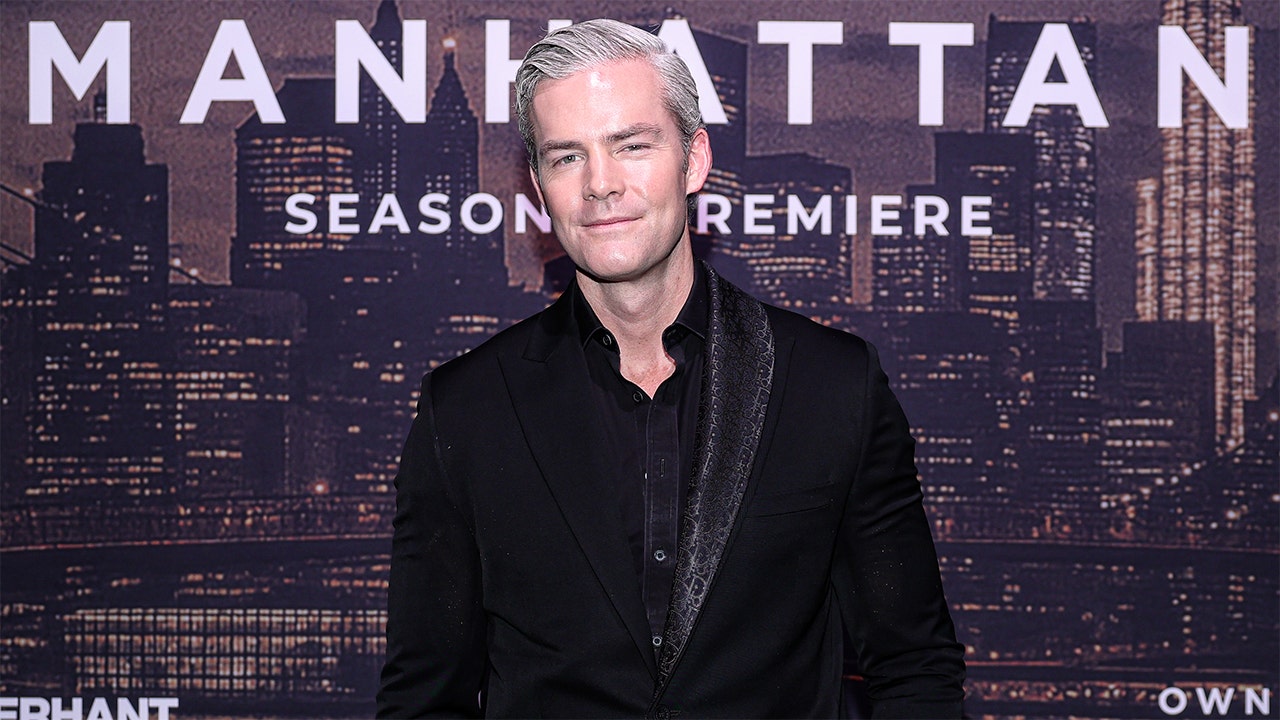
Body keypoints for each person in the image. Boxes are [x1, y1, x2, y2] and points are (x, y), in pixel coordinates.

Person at [377, 18, 965, 718]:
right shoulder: (466, 409)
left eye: (631, 146)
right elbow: (425, 699)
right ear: (538, 185)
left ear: (694, 160)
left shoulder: (831, 385)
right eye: (567, 157)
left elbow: (914, 668)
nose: (600, 184)